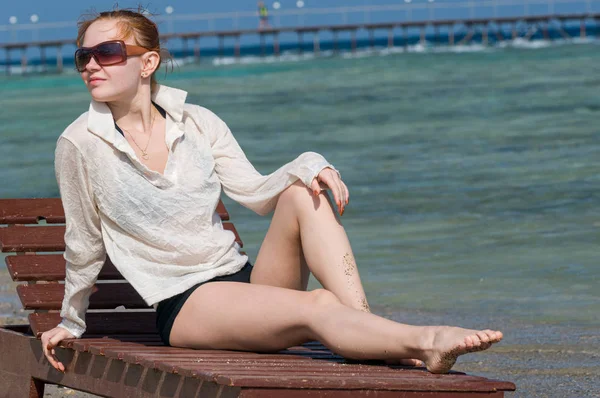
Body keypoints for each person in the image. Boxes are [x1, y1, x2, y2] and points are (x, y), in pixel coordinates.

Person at [41, 8, 503, 376]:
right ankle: (425, 341)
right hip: (186, 304)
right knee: (318, 304)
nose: (93, 64)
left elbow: (259, 194)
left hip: (245, 280)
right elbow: (84, 241)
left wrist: (309, 163)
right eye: (85, 56)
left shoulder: (199, 123)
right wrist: (71, 321)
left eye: (108, 51)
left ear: (149, 62)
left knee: (304, 193)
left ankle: (371, 332)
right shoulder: (80, 143)